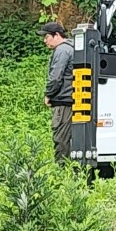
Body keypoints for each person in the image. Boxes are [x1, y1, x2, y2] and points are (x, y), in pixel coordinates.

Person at [39, 21, 74, 162]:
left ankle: (62, 170)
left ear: (57, 35)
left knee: (61, 139)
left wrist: (48, 94)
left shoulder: (62, 50)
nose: (44, 40)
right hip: (71, 100)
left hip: (63, 102)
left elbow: (55, 77)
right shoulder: (72, 47)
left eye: (47, 37)